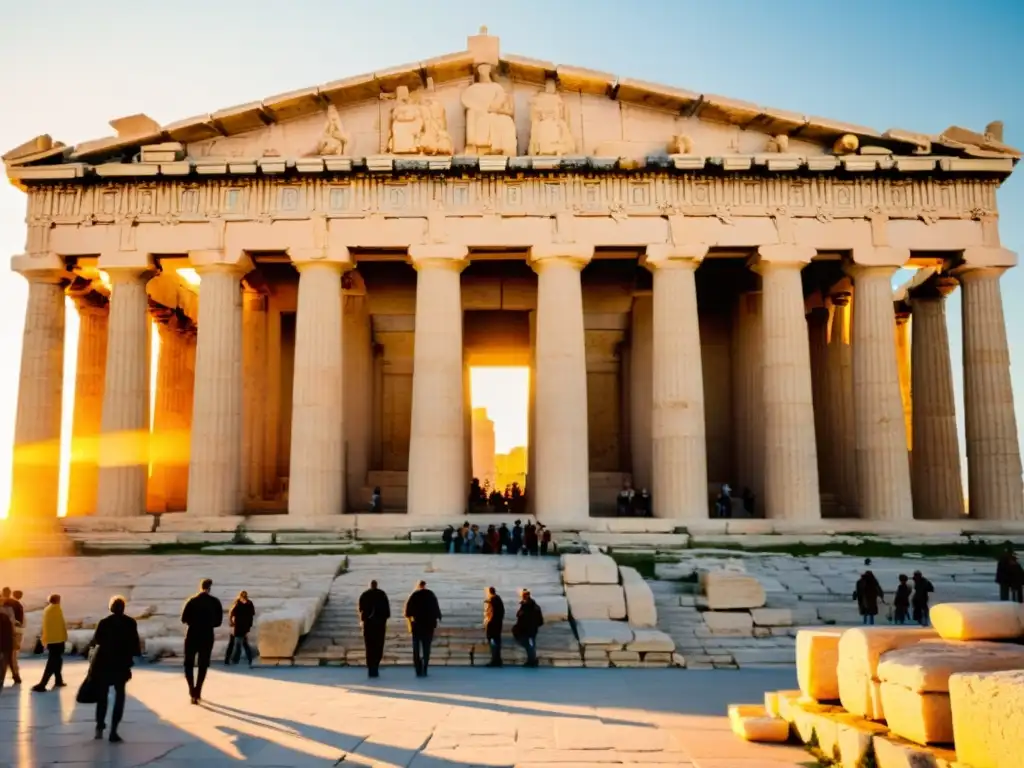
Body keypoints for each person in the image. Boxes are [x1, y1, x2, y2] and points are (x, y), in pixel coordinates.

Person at [90, 596, 141, 743]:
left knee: (102, 696)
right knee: (119, 697)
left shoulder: (104, 623)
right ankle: (114, 731)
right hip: (121, 664)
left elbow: (96, 641)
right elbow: (135, 644)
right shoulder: (130, 623)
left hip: (104, 663)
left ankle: (99, 727)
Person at [180, 578, 223, 704]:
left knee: (188, 664)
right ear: (210, 588)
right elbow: (218, 622)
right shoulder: (215, 602)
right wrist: (208, 623)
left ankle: (191, 690)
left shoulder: (192, 601)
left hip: (192, 634)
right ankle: (198, 690)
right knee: (203, 664)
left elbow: (183, 619)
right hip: (207, 635)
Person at [404, 580, 441, 677]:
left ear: (418, 585)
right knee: (426, 648)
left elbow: (407, 613)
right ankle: (425, 668)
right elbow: (437, 611)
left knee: (416, 649)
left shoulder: (414, 595)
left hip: (417, 626)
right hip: (429, 626)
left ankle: (418, 669)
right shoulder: (431, 595)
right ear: (425, 586)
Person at [32, 594, 67, 692]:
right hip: (58, 640)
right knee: (53, 661)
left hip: (51, 640)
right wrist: (65, 637)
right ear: (58, 600)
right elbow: (61, 625)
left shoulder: (47, 610)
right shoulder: (56, 609)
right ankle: (42, 684)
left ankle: (58, 680)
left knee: (57, 660)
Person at [358, 580, 391, 678]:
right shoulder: (382, 594)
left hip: (368, 625)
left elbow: (360, 609)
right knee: (378, 645)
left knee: (369, 646)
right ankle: (375, 665)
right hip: (379, 625)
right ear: (376, 585)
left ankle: (370, 667)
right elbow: (387, 611)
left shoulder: (365, 594)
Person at [512, 589, 544, 667]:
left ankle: (532, 661)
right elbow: (540, 620)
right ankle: (532, 660)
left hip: (528, 630)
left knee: (530, 645)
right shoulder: (534, 607)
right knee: (530, 645)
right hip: (529, 629)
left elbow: (521, 616)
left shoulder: (528, 607)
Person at [225, 591, 255, 667]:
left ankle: (234, 659)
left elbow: (251, 616)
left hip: (243, 627)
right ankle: (231, 659)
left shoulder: (249, 604)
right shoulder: (237, 603)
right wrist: (231, 622)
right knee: (237, 643)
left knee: (241, 643)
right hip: (236, 626)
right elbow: (231, 613)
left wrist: (249, 627)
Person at [0, 587, 23, 686]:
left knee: (7, 657)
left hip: (7, 636)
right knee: (10, 657)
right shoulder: (13, 606)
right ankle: (15, 676)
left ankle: (14, 676)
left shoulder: (10, 607)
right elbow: (17, 622)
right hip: (9, 636)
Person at [483, 587, 505, 668]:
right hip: (498, 626)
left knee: (493, 643)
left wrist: (488, 624)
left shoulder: (493, 601)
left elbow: (491, 614)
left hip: (493, 627)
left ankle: (495, 660)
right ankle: (497, 660)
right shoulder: (498, 600)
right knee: (497, 643)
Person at [0, 608, 13, 695]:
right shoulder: (5, 617)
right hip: (6, 645)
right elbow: (11, 632)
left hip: (5, 644)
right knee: (3, 664)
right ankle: (1, 681)